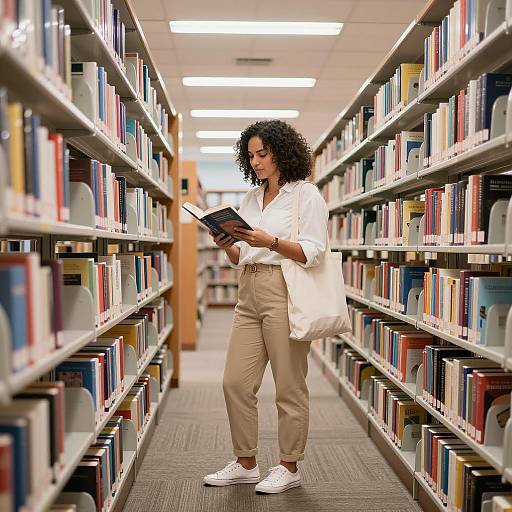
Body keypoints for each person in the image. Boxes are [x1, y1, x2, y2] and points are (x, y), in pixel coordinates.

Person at [203, 120, 329, 494]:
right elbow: (241, 256)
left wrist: (269, 240)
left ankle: (289, 466)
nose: (256, 161)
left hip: (284, 289)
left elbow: (313, 252)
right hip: (248, 291)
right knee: (235, 383)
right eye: (251, 155)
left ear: (281, 154)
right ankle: (246, 462)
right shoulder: (251, 199)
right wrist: (226, 243)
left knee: (289, 386)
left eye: (263, 154)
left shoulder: (306, 195)